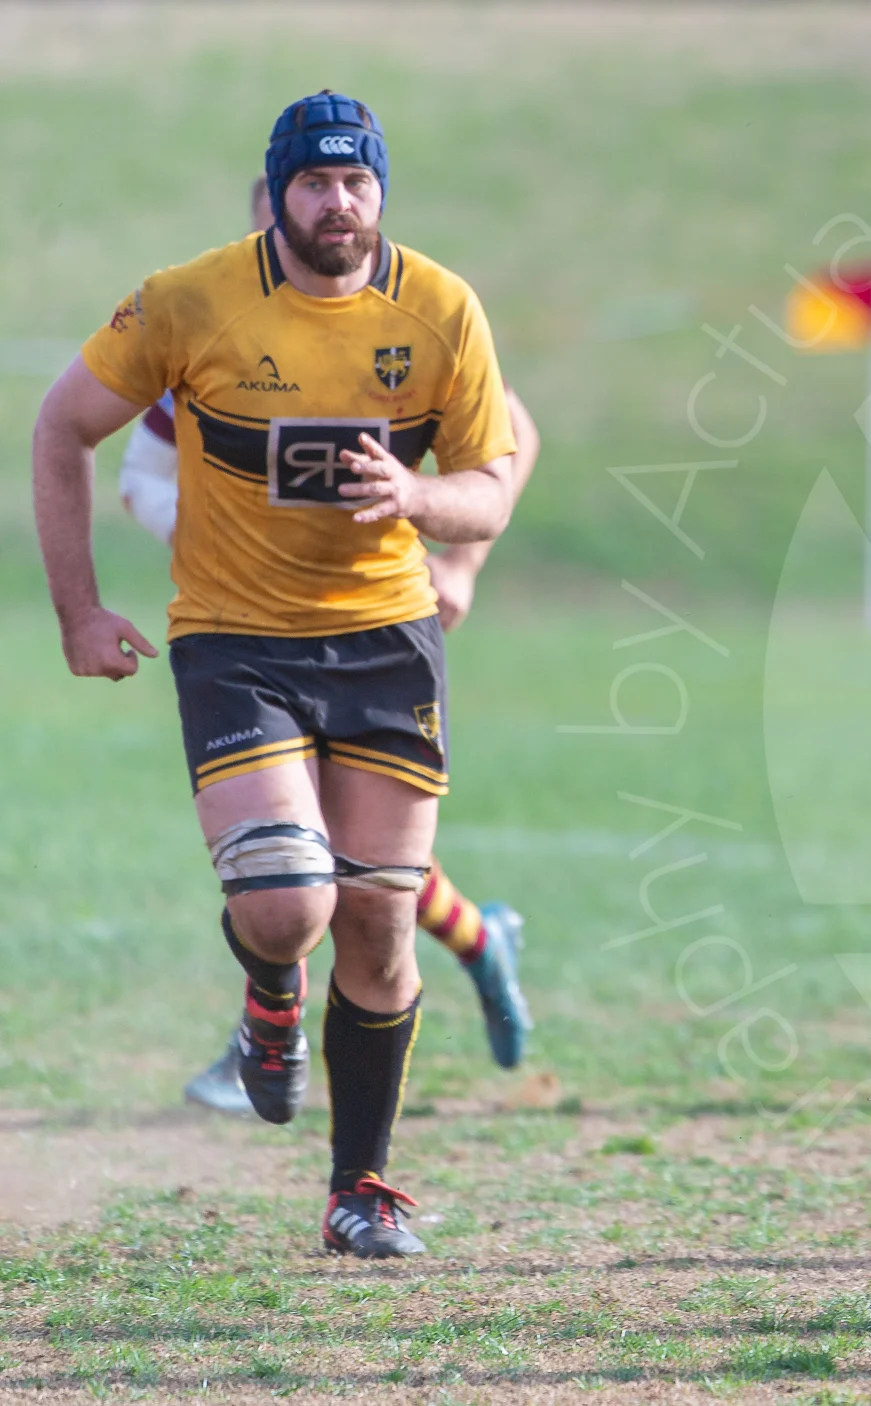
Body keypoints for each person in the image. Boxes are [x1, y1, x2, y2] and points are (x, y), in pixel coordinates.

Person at [32, 92, 522, 1258]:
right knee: (285, 901)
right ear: (278, 192)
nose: (337, 203)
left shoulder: (442, 308)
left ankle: (362, 1187)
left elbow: (493, 479)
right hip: (236, 640)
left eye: (357, 183)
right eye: (315, 183)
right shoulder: (188, 300)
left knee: (380, 922)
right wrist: (80, 610)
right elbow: (62, 427)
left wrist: (417, 498)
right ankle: (267, 995)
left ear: (381, 192)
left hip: (387, 639)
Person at [124, 175, 536, 1118]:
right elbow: (140, 470)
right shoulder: (217, 319)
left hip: (374, 618)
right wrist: (226, 534)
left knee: (345, 865)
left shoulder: (405, 317)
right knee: (295, 856)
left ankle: (294, 1036)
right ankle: (474, 942)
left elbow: (514, 435)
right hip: (248, 627)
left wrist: (459, 568)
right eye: (280, 213)